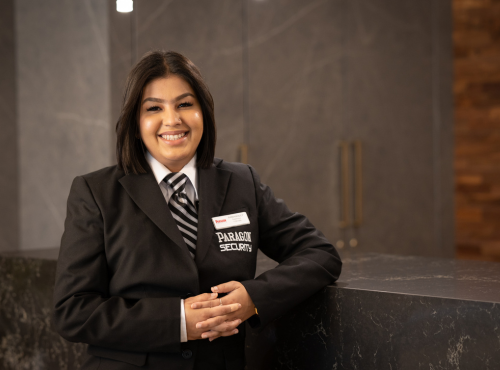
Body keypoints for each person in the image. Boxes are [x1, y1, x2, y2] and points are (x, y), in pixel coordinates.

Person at [52, 50, 342, 370]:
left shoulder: (242, 182)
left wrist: (253, 297)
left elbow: (320, 253)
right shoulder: (95, 193)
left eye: (185, 104)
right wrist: (177, 322)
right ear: (136, 124)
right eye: (154, 108)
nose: (172, 119)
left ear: (203, 113)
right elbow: (72, 312)